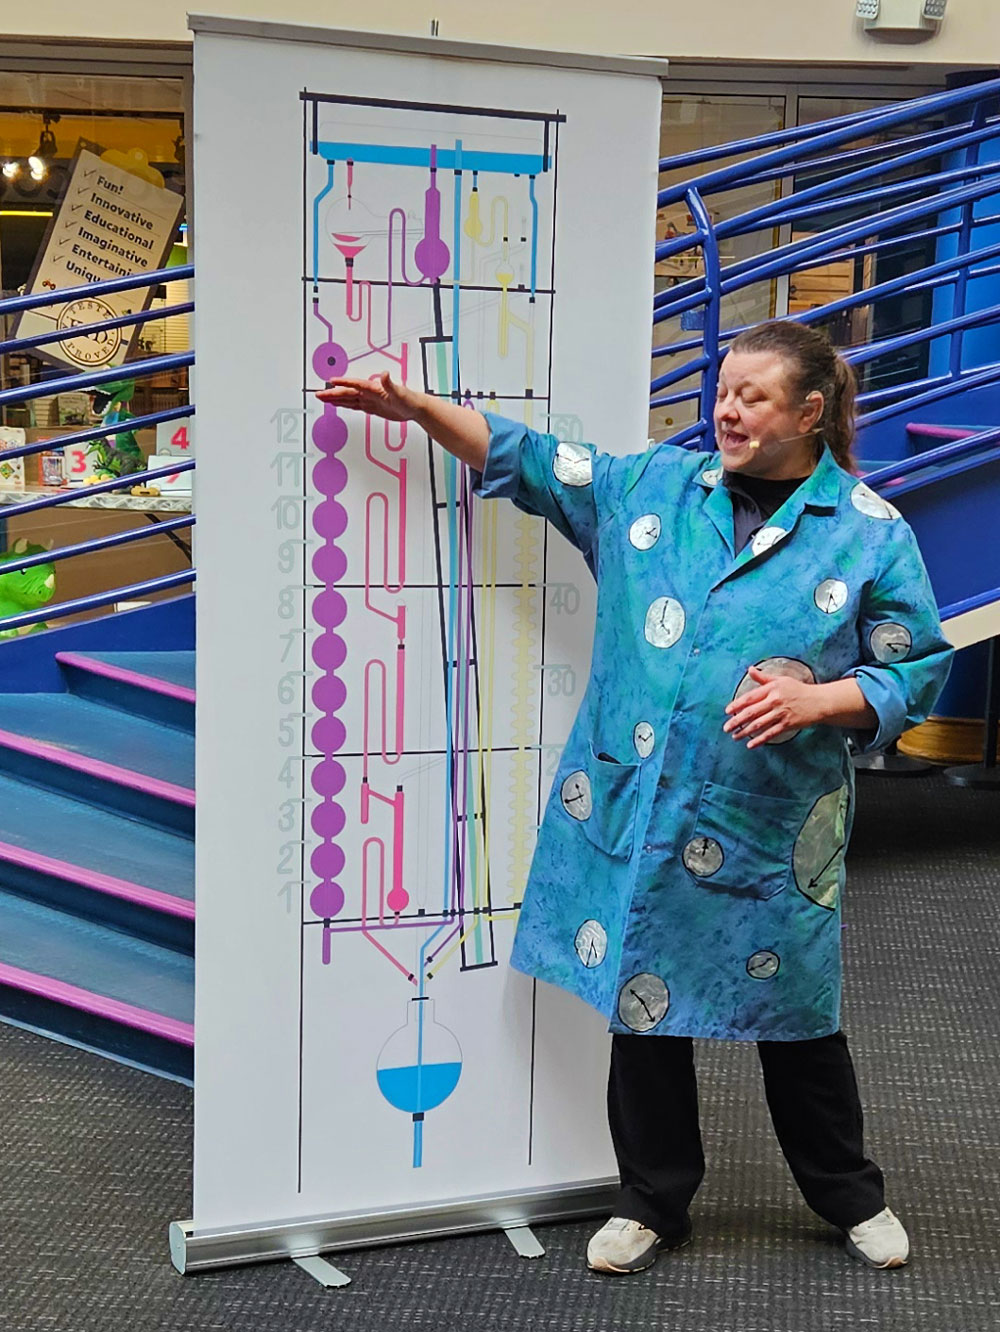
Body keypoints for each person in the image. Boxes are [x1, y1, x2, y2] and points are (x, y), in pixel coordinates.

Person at [317, 320, 953, 1276]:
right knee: (642, 1014)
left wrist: (819, 698)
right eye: (724, 391)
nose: (726, 410)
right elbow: (530, 459)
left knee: (798, 1023)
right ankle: (652, 1200)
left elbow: (921, 662)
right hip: (642, 814)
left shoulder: (868, 531)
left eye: (753, 397)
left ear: (811, 412)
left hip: (770, 828)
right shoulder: (655, 488)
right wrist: (413, 407)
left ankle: (849, 1196)